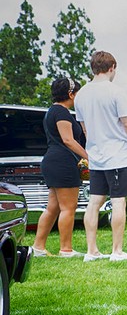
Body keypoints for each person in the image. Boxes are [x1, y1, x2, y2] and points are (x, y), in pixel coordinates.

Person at [73, 51, 127, 262]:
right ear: (112, 67)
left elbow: (84, 129)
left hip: (96, 156)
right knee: (118, 202)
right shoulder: (116, 92)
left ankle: (91, 250)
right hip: (118, 156)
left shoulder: (82, 95)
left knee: (94, 203)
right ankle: (117, 251)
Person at [31, 77, 89, 257]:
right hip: (62, 162)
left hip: (52, 161)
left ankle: (38, 247)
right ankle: (66, 249)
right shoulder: (62, 113)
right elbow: (68, 140)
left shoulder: (51, 111)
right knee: (68, 208)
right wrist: (89, 157)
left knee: (53, 208)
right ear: (71, 94)